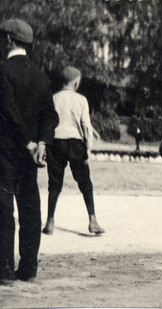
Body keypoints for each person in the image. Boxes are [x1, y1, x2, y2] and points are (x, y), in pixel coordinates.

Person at [0, 19, 59, 285]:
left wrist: (27, 142)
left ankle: (3, 271)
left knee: (3, 210)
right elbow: (50, 116)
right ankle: (29, 268)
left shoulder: (3, 71)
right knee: (30, 208)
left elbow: (8, 110)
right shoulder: (42, 76)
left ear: (9, 41)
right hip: (32, 155)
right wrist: (42, 144)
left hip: (6, 151)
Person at [41, 66, 105, 236]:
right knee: (85, 183)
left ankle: (50, 221)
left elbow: (46, 122)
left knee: (54, 184)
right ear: (76, 82)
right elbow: (86, 125)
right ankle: (92, 219)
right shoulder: (81, 100)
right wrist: (89, 148)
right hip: (75, 143)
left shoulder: (53, 98)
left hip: (56, 142)